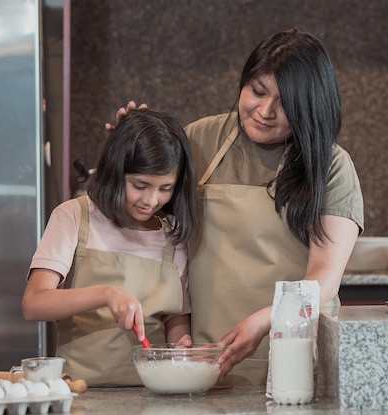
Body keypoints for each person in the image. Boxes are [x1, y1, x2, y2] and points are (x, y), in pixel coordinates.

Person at [108, 28, 364, 386]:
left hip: (295, 362)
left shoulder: (331, 167)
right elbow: (142, 220)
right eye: (257, 92)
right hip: (205, 360)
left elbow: (323, 280)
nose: (264, 111)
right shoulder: (198, 141)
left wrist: (264, 320)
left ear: (310, 105)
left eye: (285, 103)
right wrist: (129, 153)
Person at [22, 108, 199, 386]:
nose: (152, 200)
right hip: (79, 390)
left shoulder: (172, 235)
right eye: (140, 185)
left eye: (166, 188)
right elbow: (34, 304)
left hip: (152, 393)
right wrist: (106, 294)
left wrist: (180, 347)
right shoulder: (73, 216)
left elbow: (175, 317)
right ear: (115, 171)